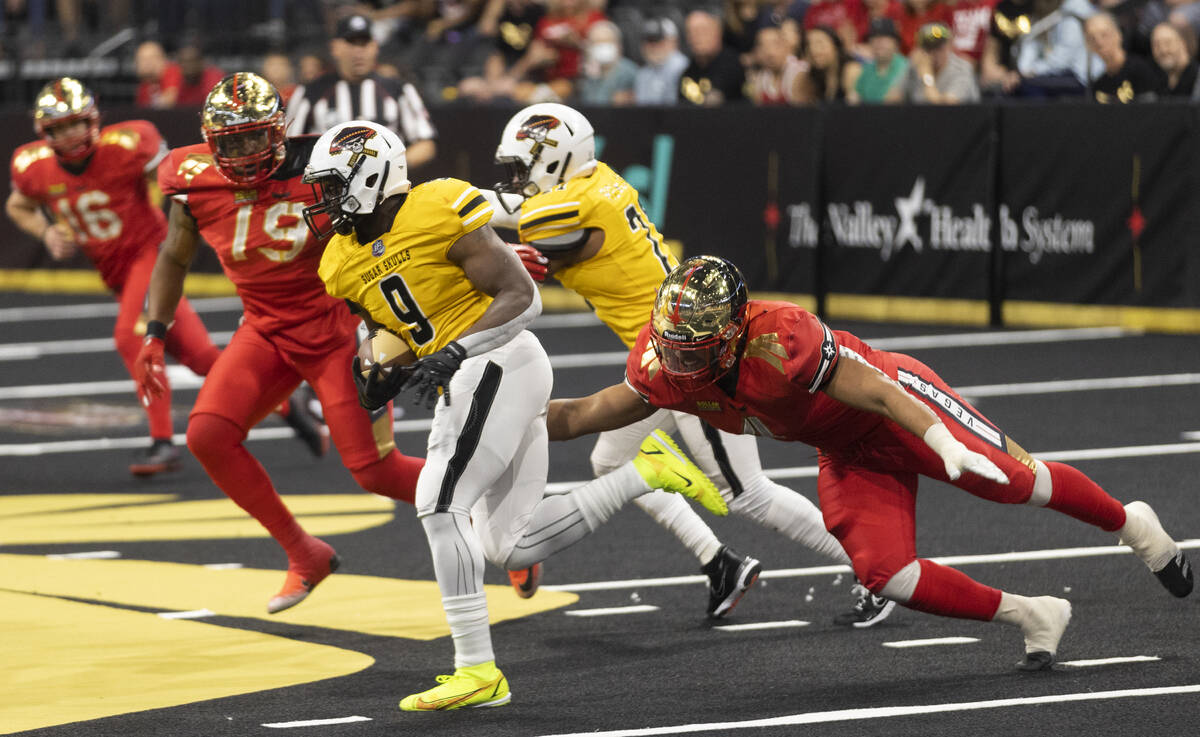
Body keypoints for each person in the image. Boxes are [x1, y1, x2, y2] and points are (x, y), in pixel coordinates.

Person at [548, 255, 1193, 671]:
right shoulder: (665, 367)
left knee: (1017, 484)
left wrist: (943, 443)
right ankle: (1034, 613)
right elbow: (580, 415)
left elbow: (884, 393)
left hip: (900, 409)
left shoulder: (783, 340)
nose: (680, 366)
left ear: (734, 333)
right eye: (674, 349)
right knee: (885, 573)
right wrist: (504, 411)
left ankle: (1133, 524)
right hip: (845, 449)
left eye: (696, 351)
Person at [307, 119, 725, 710]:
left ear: (371, 176)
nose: (323, 203)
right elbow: (380, 328)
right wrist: (376, 369)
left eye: (331, 186)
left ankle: (477, 670)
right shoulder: (339, 262)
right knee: (510, 544)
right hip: (468, 375)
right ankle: (646, 475)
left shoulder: (436, 207)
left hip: (499, 358)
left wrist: (454, 350)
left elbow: (520, 297)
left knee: (437, 500)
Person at [487, 103, 894, 625]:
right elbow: (520, 219)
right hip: (660, 358)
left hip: (693, 358)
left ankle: (875, 571)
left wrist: (442, 207)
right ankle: (719, 562)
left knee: (747, 493)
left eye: (523, 167)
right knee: (611, 463)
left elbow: (509, 214)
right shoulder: (595, 183)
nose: (518, 180)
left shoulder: (575, 203)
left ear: (555, 159)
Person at [138, 73, 427, 615]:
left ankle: (496, 516)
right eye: (232, 141)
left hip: (335, 329)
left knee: (375, 472)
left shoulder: (323, 166)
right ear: (210, 140)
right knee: (207, 435)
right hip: (265, 330)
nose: (245, 153)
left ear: (280, 132)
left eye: (255, 137)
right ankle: (304, 553)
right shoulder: (189, 175)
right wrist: (155, 332)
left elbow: (403, 226)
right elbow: (174, 254)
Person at [6, 77, 222, 476]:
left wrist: (172, 215)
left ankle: (162, 441)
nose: (69, 134)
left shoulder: (127, 144)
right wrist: (47, 231)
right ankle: (287, 404)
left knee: (130, 336)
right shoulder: (33, 166)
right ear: (44, 132)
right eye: (59, 127)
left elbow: (170, 175)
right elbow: (18, 204)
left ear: (92, 120)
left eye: (74, 123)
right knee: (200, 358)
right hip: (116, 273)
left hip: (149, 255)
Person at [285, 13, 437, 172]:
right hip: (326, 189)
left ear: (375, 47)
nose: (358, 52)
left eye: (364, 43)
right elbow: (290, 147)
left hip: (385, 190)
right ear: (335, 48)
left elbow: (425, 143)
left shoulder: (398, 90)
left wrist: (388, 167)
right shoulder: (310, 93)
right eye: (351, 43)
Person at [1084, 11, 1164, 102]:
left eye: (1104, 35)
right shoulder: (1099, 85)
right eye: (1092, 38)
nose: (1099, 42)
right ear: (1088, 45)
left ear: (1118, 35)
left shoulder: (1141, 70)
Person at [680, 9, 746, 105]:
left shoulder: (732, 64)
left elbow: (715, 101)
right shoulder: (688, 72)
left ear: (717, 33)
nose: (696, 36)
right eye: (690, 32)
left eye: (702, 31)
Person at [904, 21, 981, 102]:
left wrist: (927, 76)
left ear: (949, 46)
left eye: (939, 48)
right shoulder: (914, 66)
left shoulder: (961, 69)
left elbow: (945, 109)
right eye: (928, 49)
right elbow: (893, 99)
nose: (934, 54)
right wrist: (907, 67)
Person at [574, 19, 637, 105]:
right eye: (596, 42)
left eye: (607, 41)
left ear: (618, 45)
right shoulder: (588, 74)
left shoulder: (629, 71)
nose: (602, 46)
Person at [746, 24, 811, 105]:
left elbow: (802, 114)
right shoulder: (761, 78)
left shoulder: (799, 73)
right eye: (763, 46)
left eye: (775, 44)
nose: (770, 52)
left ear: (786, 46)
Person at [633, 17, 689, 105]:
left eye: (658, 40)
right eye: (649, 41)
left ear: (673, 41)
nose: (653, 46)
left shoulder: (683, 68)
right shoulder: (643, 73)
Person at [853, 17, 910, 103]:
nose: (878, 42)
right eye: (873, 37)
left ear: (896, 42)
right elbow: (854, 98)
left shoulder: (906, 67)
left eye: (884, 37)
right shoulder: (867, 69)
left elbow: (893, 100)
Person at [1150, 20, 1200, 98]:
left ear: (1182, 43)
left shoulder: (1197, 76)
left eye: (1168, 43)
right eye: (1156, 45)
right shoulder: (1156, 80)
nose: (1163, 50)